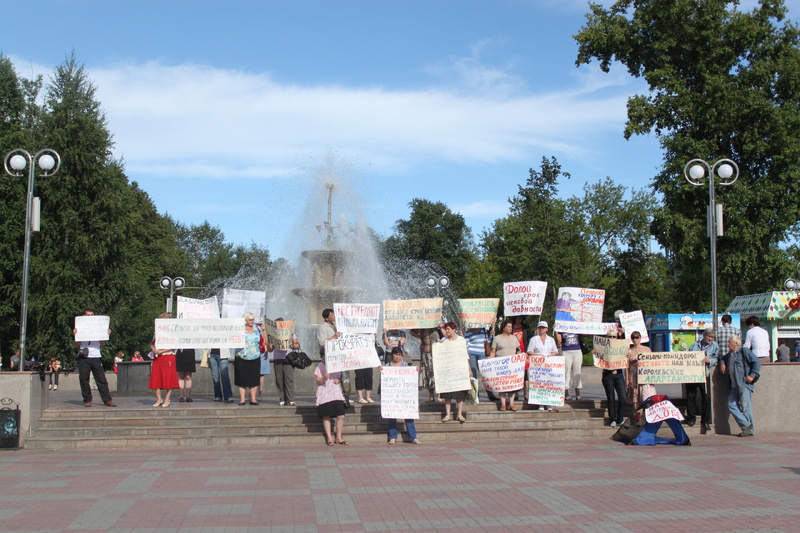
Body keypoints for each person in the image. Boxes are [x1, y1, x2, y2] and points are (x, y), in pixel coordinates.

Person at [73, 307, 116, 408]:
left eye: (92, 315)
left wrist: (106, 334)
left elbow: (102, 343)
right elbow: (76, 344)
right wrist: (75, 335)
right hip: (84, 356)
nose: (90, 317)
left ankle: (107, 400)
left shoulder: (98, 326)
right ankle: (87, 400)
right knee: (84, 378)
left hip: (96, 355)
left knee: (101, 379)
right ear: (84, 316)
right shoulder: (80, 326)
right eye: (88, 315)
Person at [720, 335, 761, 437]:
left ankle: (749, 431)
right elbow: (722, 358)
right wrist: (722, 363)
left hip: (744, 384)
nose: (728, 344)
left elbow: (757, 362)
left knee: (745, 407)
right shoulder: (730, 354)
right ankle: (746, 425)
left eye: (730, 342)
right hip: (733, 385)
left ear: (736, 343)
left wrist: (752, 375)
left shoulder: (744, 351)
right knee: (731, 405)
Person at [381, 347, 421, 444]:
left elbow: (411, 377)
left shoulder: (405, 366)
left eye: (399, 355)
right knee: (391, 415)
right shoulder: (387, 366)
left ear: (401, 356)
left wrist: (416, 371)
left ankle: (413, 436)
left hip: (404, 396)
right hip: (392, 396)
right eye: (395, 354)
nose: (397, 357)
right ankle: (392, 436)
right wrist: (381, 371)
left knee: (408, 414)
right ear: (392, 355)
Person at [439, 321, 471, 423]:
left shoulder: (461, 340)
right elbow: (439, 354)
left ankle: (459, 414)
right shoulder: (444, 340)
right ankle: (448, 414)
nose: (447, 331)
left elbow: (465, 355)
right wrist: (439, 346)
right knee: (447, 394)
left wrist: (469, 369)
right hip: (448, 371)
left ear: (454, 330)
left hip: (459, 370)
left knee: (460, 393)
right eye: (446, 329)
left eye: (448, 329)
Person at [686, 328, 719, 430]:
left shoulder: (714, 346)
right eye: (709, 336)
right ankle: (691, 418)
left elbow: (717, 357)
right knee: (691, 396)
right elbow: (688, 356)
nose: (710, 339)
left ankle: (705, 420)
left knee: (706, 397)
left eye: (712, 337)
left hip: (705, 374)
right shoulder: (694, 345)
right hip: (693, 374)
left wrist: (710, 360)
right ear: (704, 336)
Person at [314, 351, 348, 446]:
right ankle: (329, 437)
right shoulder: (320, 366)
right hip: (325, 391)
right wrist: (324, 378)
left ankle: (338, 437)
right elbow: (318, 381)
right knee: (326, 415)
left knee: (341, 415)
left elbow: (342, 376)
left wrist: (339, 379)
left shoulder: (336, 364)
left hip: (336, 391)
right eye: (324, 356)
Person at [489, 319, 521, 411]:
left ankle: (511, 404)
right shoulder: (497, 338)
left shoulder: (514, 338)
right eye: (509, 327)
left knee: (512, 385)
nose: (511, 328)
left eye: (511, 327)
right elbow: (493, 352)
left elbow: (518, 350)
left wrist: (521, 356)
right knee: (502, 385)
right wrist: (490, 358)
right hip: (501, 366)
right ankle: (503, 404)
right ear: (503, 328)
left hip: (512, 365)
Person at [526, 320, 559, 411]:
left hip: (548, 364)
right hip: (537, 364)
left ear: (547, 329)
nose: (541, 329)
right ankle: (540, 402)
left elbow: (555, 351)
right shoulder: (533, 339)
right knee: (539, 384)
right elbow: (529, 351)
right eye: (540, 327)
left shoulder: (551, 339)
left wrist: (549, 356)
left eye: (543, 328)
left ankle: (548, 403)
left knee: (548, 383)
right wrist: (538, 356)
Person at [597, 328, 626, 427]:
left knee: (623, 397)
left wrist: (622, 332)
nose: (612, 338)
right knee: (611, 398)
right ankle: (612, 418)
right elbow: (596, 353)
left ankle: (620, 418)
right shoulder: (603, 347)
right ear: (607, 337)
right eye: (610, 337)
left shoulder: (619, 347)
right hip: (608, 375)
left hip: (618, 374)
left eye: (614, 336)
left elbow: (626, 346)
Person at [149, 312, 180, 407]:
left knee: (168, 378)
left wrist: (161, 351)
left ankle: (167, 399)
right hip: (158, 358)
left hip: (168, 356)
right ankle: (159, 399)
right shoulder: (157, 333)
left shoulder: (172, 333)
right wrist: (154, 349)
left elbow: (175, 345)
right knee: (156, 378)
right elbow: (152, 343)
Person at [234, 312, 264, 406]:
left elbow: (262, 339)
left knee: (254, 378)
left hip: (255, 356)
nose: (252, 321)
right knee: (241, 378)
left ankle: (253, 399)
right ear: (245, 320)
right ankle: (242, 399)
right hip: (241, 356)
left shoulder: (257, 328)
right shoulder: (239, 329)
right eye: (250, 320)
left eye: (253, 319)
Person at [269, 318, 300, 406]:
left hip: (288, 357)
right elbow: (270, 350)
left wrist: (294, 342)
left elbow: (297, 346)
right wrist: (270, 343)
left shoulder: (290, 333)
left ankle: (290, 399)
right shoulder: (273, 334)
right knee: (279, 379)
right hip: (278, 358)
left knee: (289, 378)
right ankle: (282, 398)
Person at [411, 327, 440, 403]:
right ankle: (431, 395)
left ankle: (439, 395)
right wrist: (419, 336)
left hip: (436, 353)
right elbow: (411, 331)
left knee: (436, 374)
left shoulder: (437, 327)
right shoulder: (421, 326)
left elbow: (446, 334)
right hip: (425, 353)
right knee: (427, 374)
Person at [626, 331, 653, 408]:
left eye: (637, 337)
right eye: (633, 338)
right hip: (633, 375)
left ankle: (647, 414)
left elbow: (653, 362)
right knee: (635, 396)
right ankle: (636, 415)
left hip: (645, 374)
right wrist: (627, 379)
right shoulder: (628, 351)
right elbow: (627, 365)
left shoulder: (646, 349)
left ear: (640, 338)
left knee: (646, 395)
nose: (635, 340)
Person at [556, 331, 582, 400]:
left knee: (577, 372)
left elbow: (584, 333)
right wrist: (556, 331)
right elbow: (559, 341)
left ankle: (578, 392)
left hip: (577, 350)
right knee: (566, 372)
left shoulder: (575, 325)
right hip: (566, 351)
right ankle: (566, 392)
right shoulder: (562, 326)